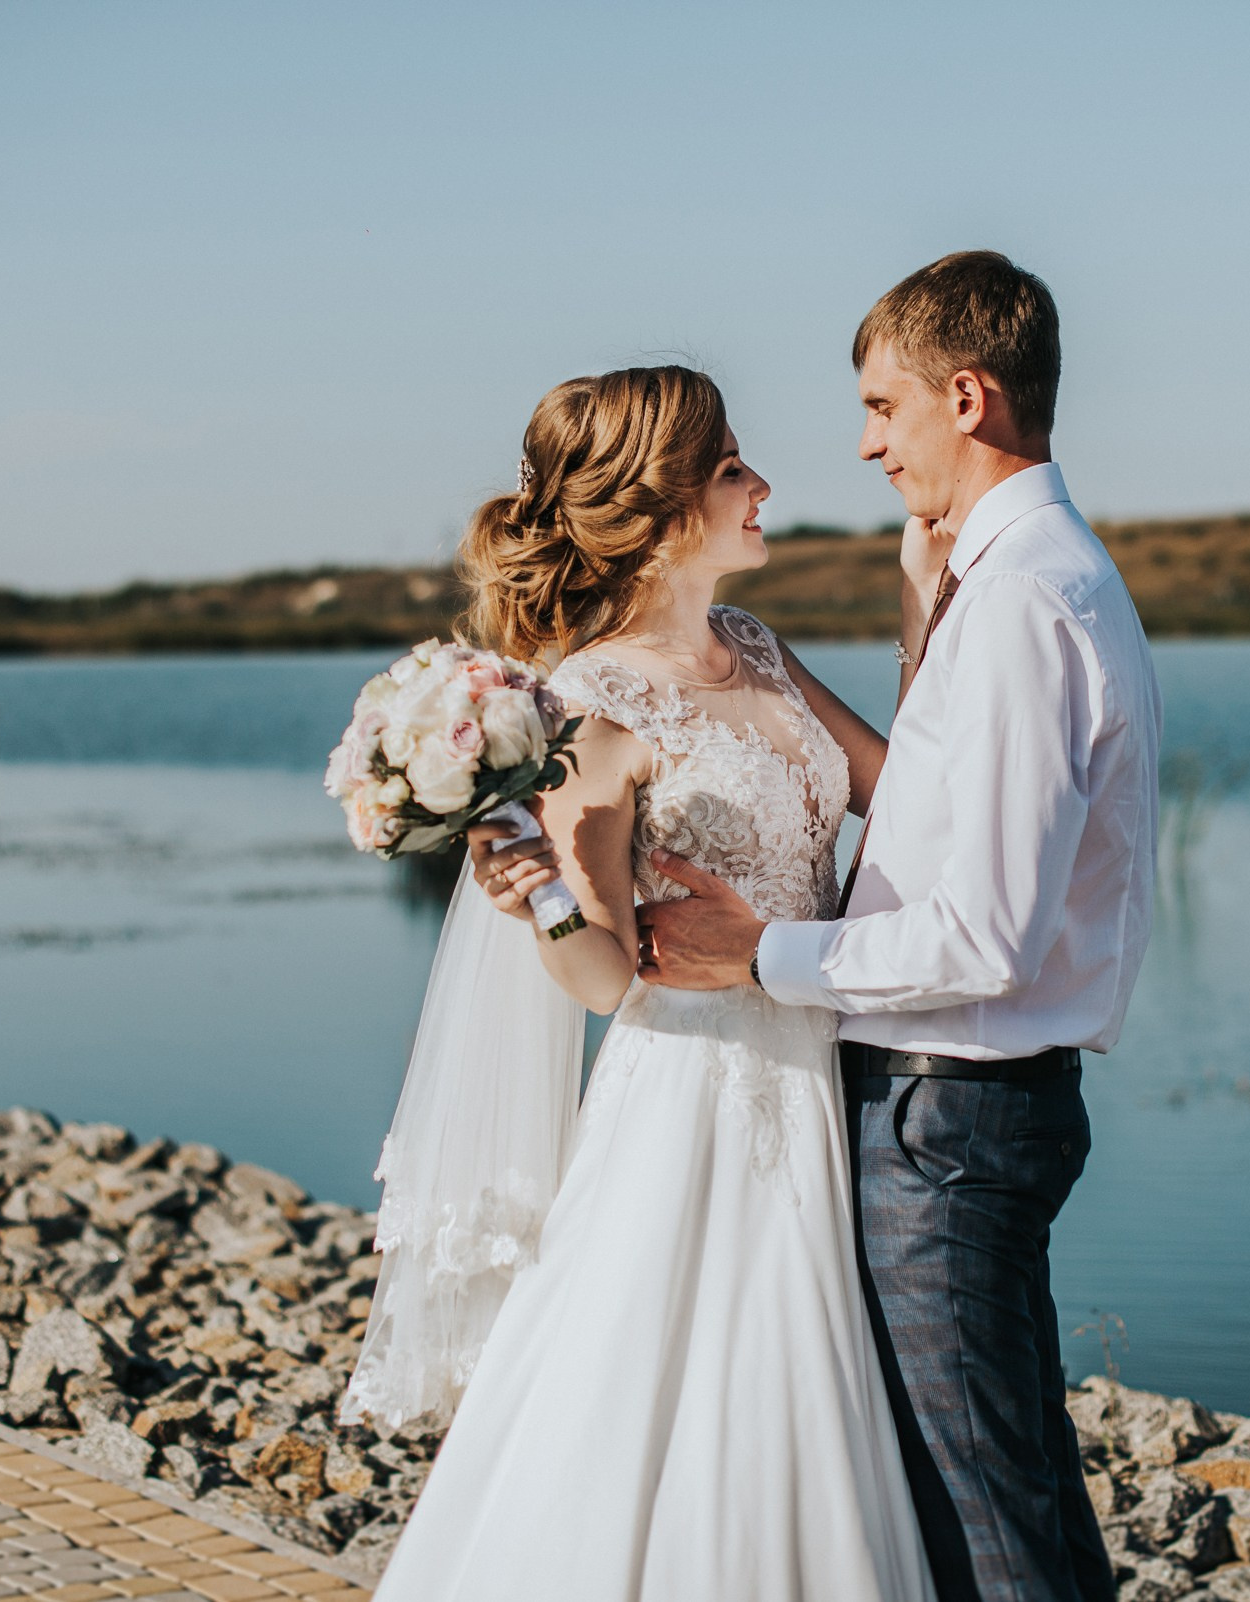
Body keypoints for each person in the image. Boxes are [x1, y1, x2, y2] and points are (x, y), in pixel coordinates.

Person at [619, 252, 1161, 1602]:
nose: (864, 444)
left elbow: (979, 938)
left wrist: (756, 955)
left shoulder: (1027, 602)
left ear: (966, 397)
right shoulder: (1014, 582)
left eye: (882, 407)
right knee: (1012, 1490)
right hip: (965, 1106)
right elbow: (927, 806)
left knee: (984, 1518)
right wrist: (919, 625)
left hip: (951, 1119)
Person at [351, 365, 936, 1601]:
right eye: (733, 469)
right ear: (664, 508)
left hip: (821, 1072)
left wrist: (927, 617)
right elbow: (607, 980)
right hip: (696, 1105)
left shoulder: (759, 651)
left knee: (807, 1407)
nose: (765, 484)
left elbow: (901, 791)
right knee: (660, 1408)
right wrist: (543, 897)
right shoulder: (585, 706)